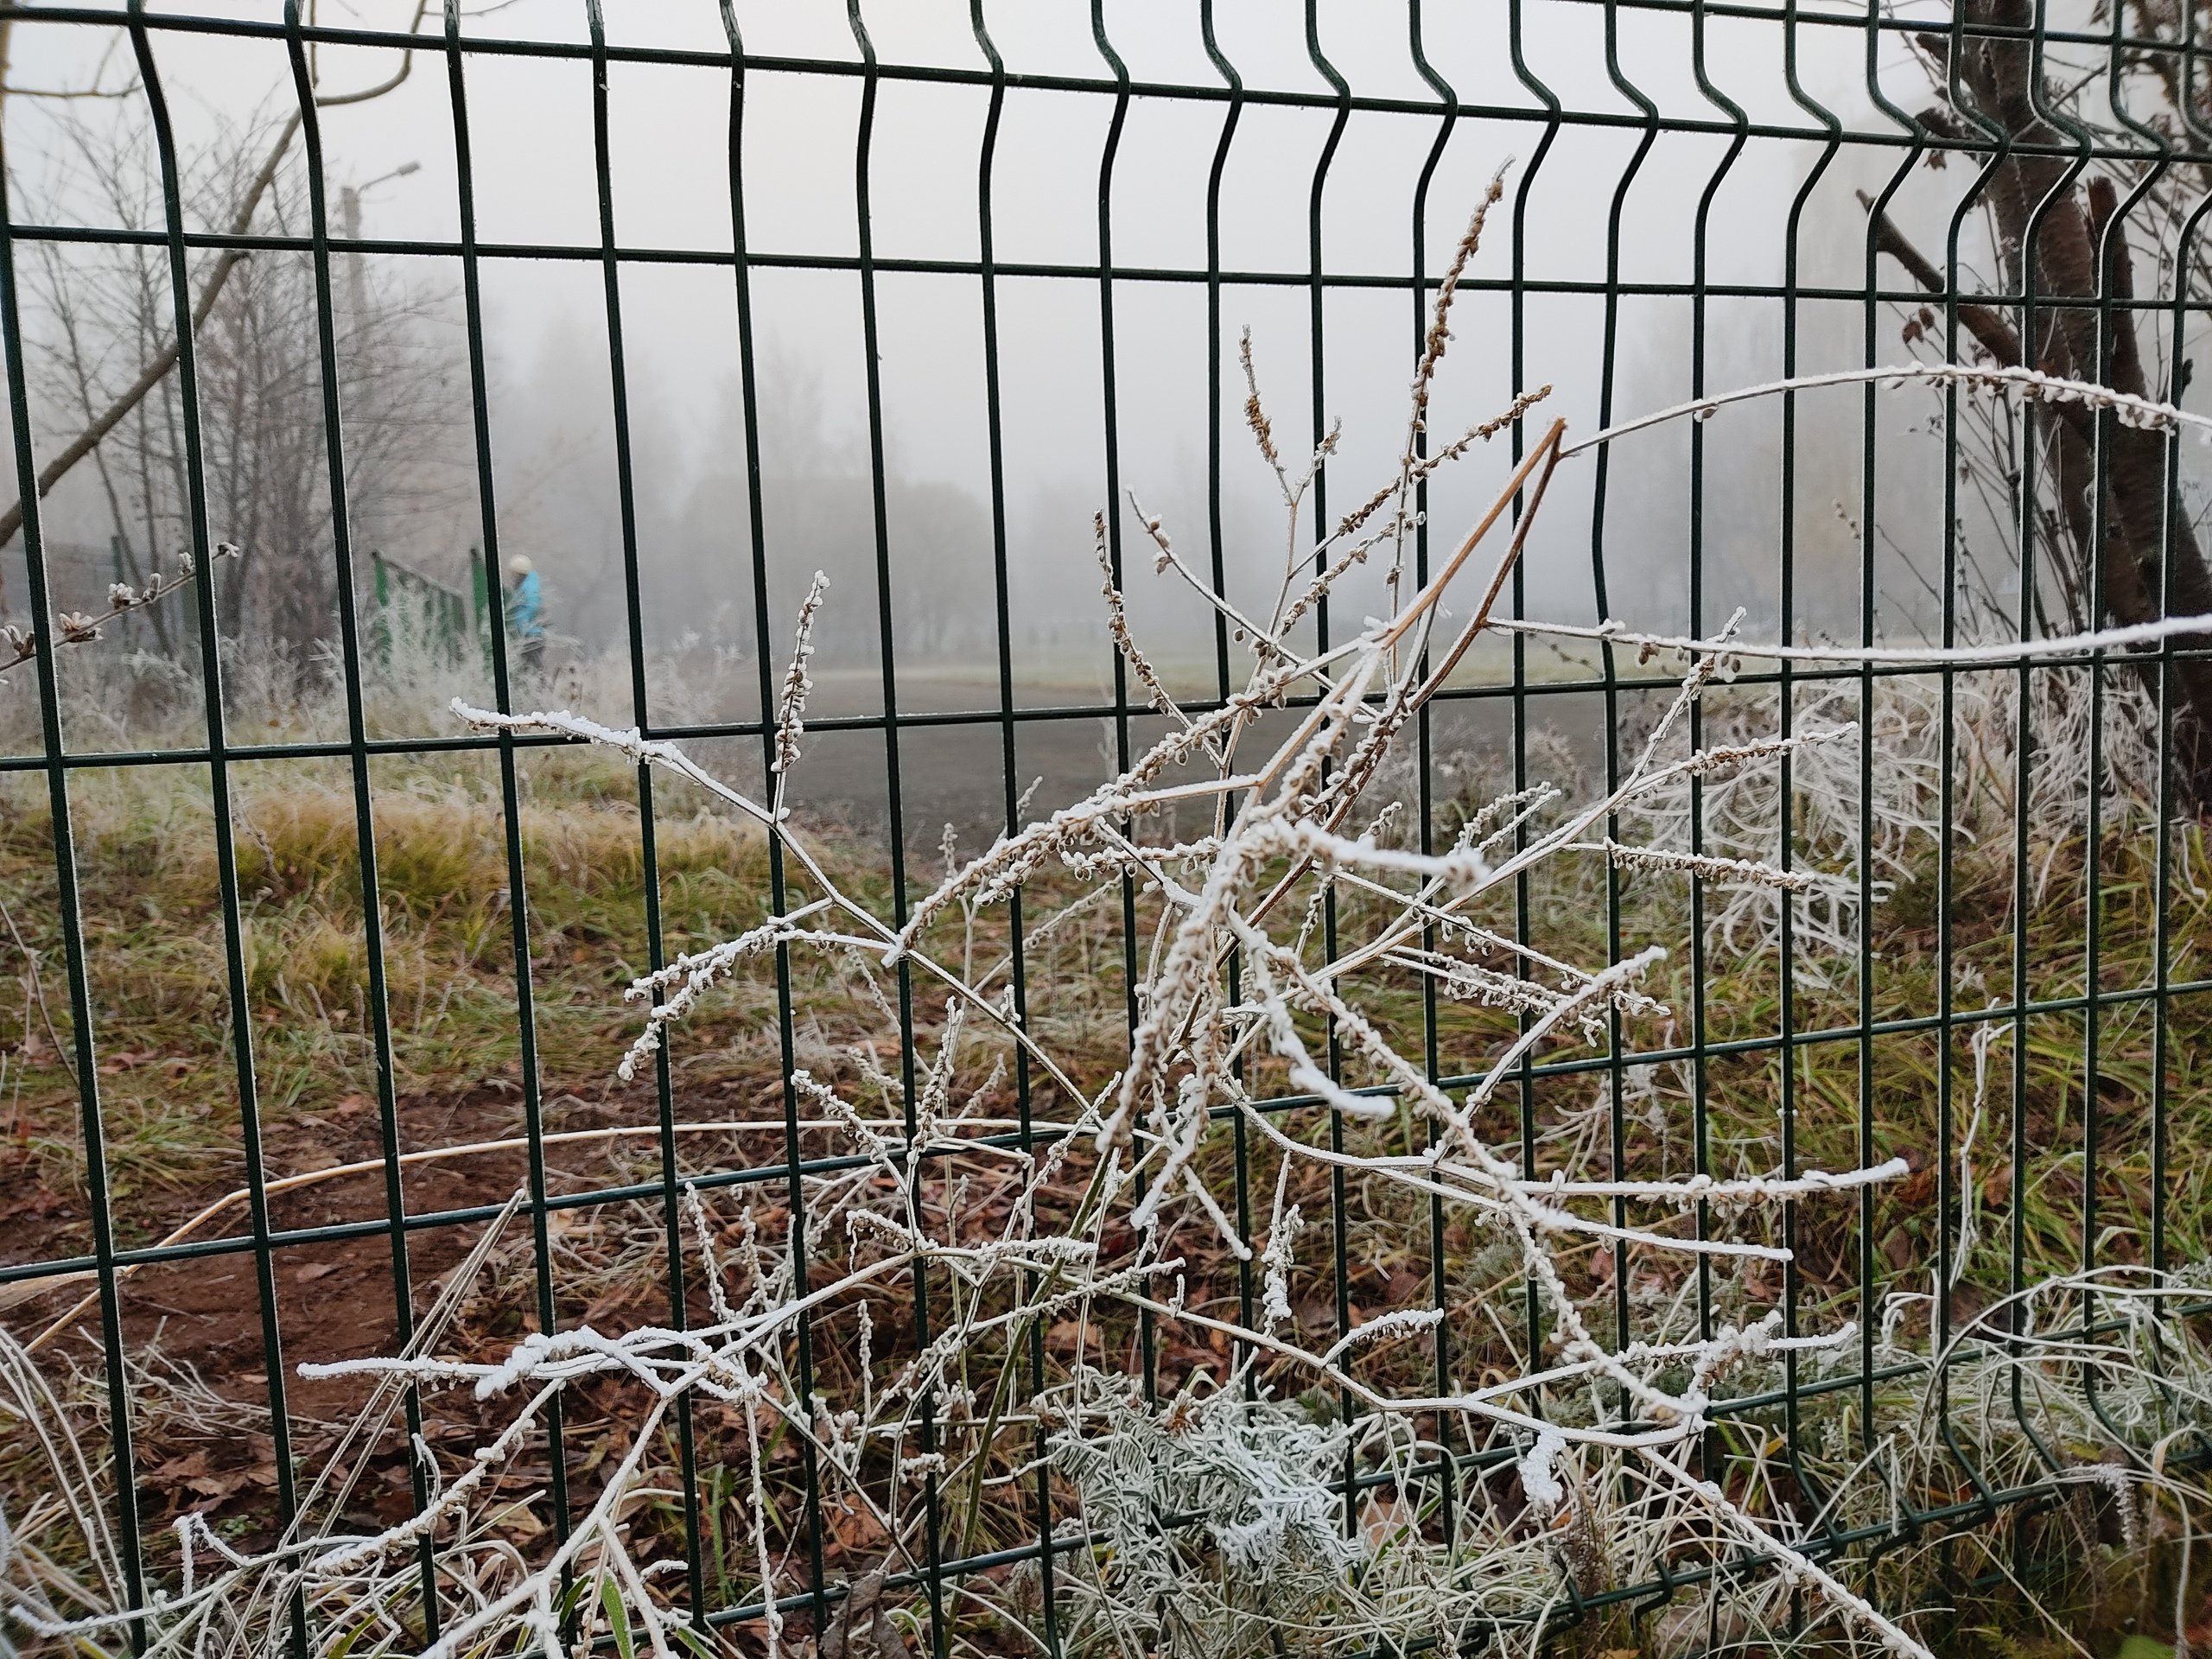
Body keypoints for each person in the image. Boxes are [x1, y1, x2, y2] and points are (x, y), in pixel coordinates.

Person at [505, 553, 545, 677]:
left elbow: (532, 606)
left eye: (514, 573)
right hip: (530, 633)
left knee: (531, 668)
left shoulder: (528, 586)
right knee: (529, 668)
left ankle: (539, 691)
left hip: (531, 634)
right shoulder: (527, 585)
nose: (512, 576)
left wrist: (523, 626)